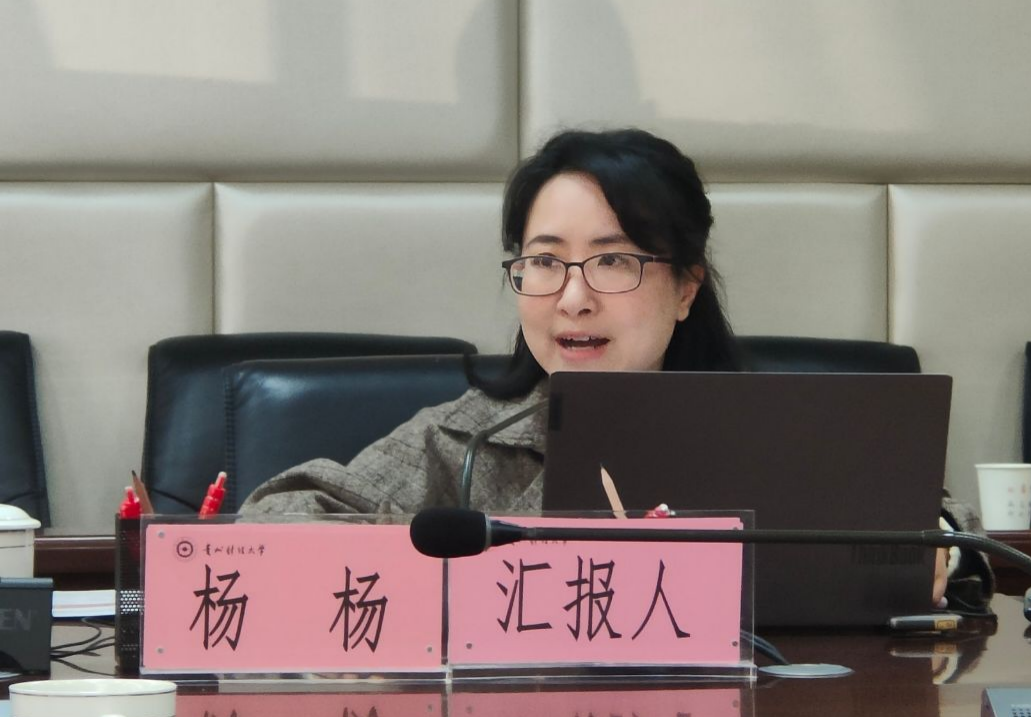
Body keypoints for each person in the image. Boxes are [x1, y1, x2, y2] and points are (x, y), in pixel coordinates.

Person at [240, 128, 992, 609]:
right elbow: (274, 522)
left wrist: (939, 549)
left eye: (612, 261)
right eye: (544, 261)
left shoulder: (768, 427)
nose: (573, 298)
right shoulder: (464, 436)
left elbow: (940, 519)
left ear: (687, 286)